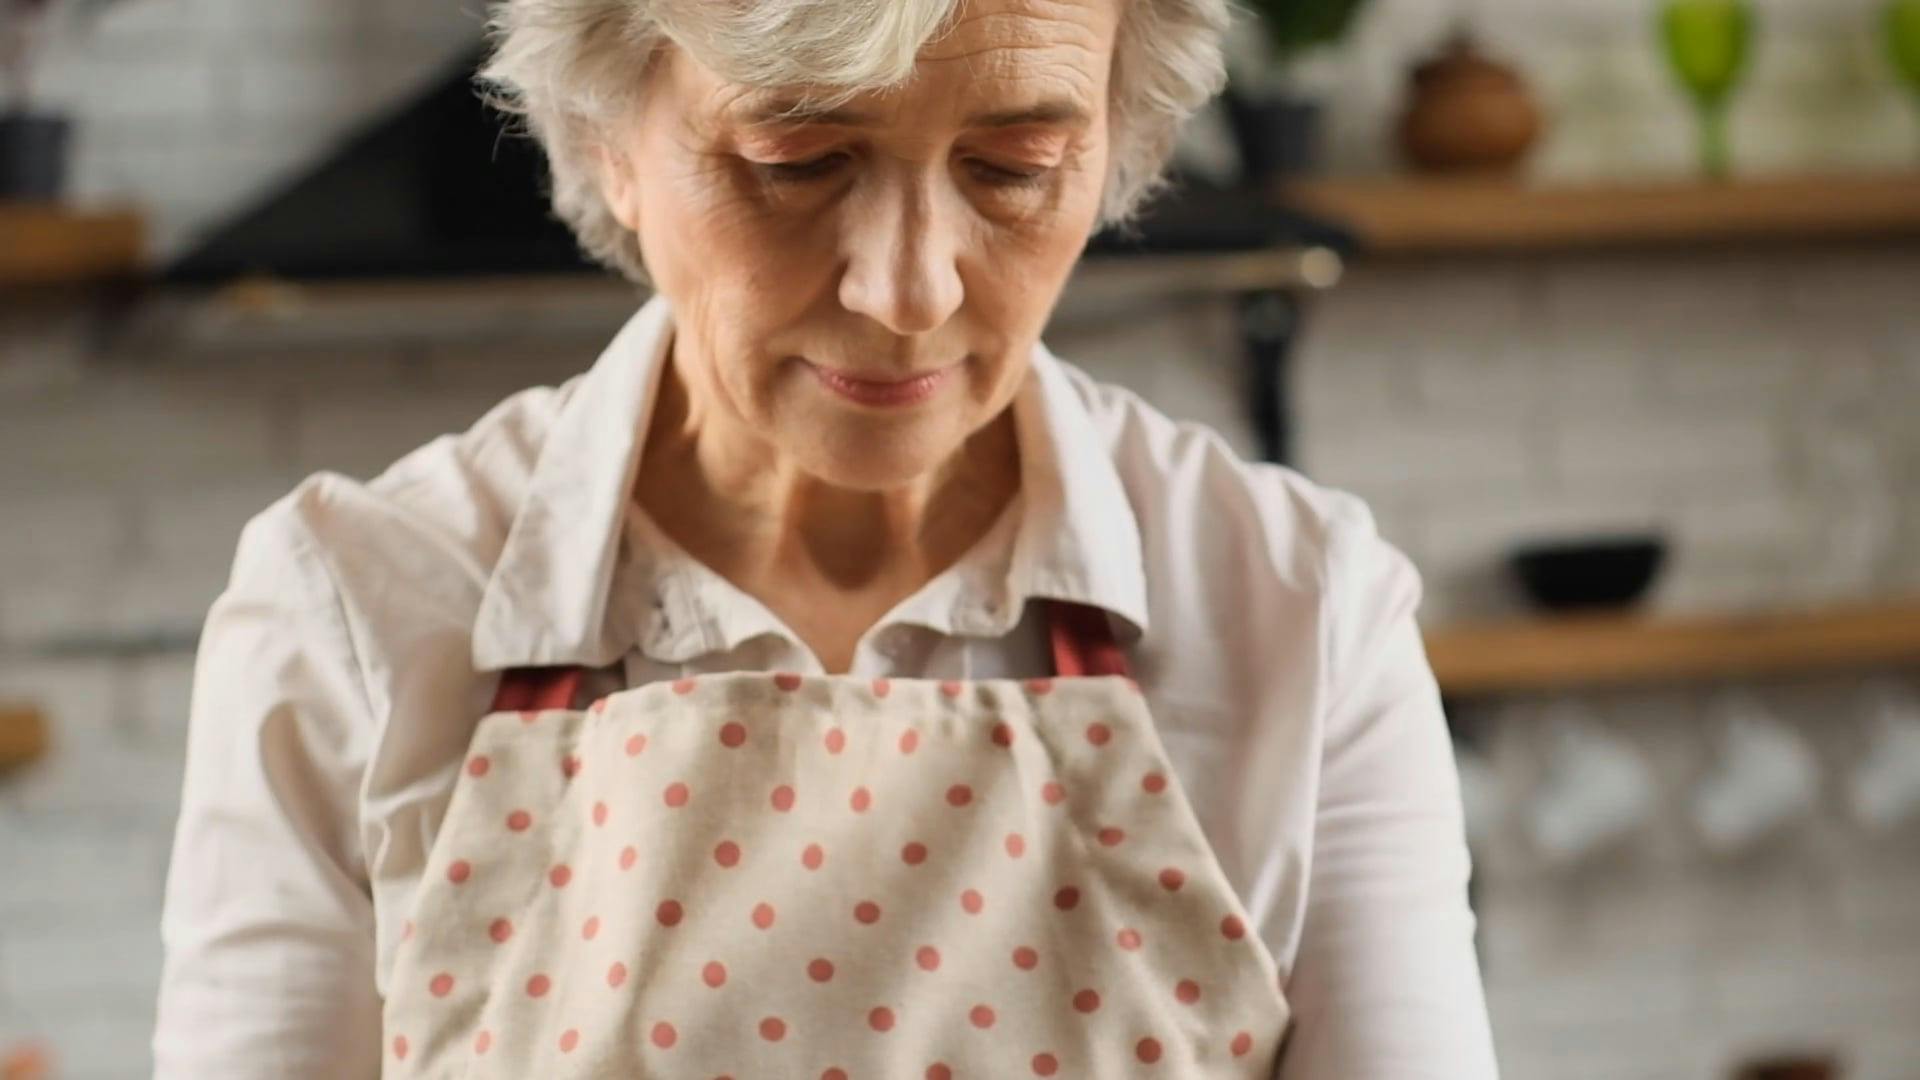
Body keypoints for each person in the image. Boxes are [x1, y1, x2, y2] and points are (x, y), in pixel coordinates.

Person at [152, 0, 1499, 1076]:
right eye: (795, 164)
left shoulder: (1297, 607)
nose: (907, 288)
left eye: (1014, 170)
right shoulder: (356, 609)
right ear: (611, 138)